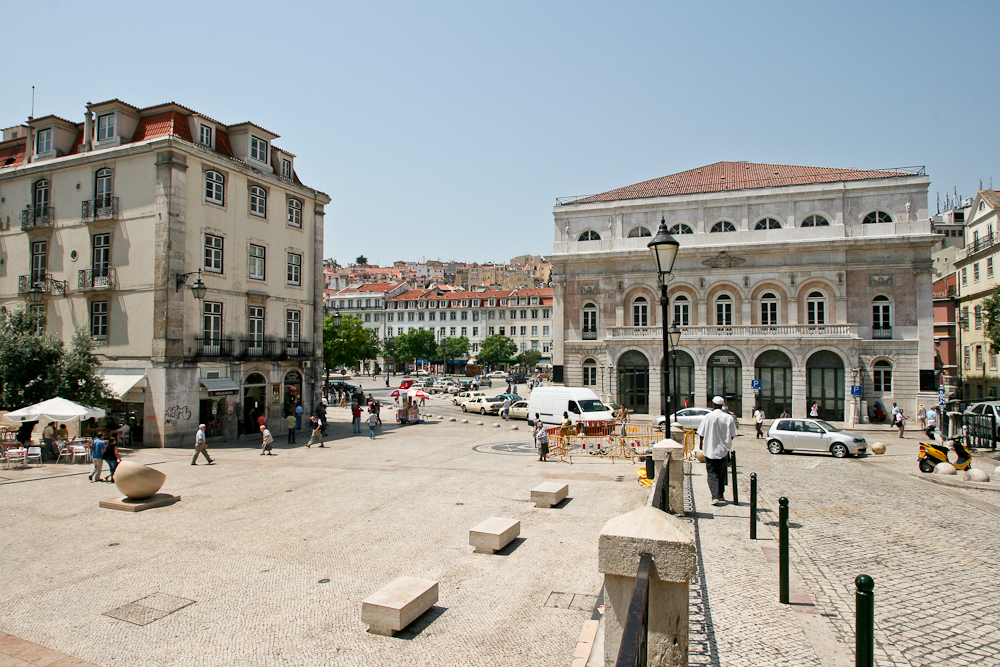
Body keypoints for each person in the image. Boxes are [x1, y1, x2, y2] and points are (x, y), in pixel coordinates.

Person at [697, 396, 738, 506]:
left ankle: (715, 496)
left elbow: (701, 433)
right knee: (721, 472)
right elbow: (733, 434)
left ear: (714, 405)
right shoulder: (728, 417)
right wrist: (727, 443)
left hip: (710, 448)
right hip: (723, 450)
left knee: (712, 472)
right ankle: (720, 494)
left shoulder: (708, 417)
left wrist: (701, 444)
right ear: (722, 405)